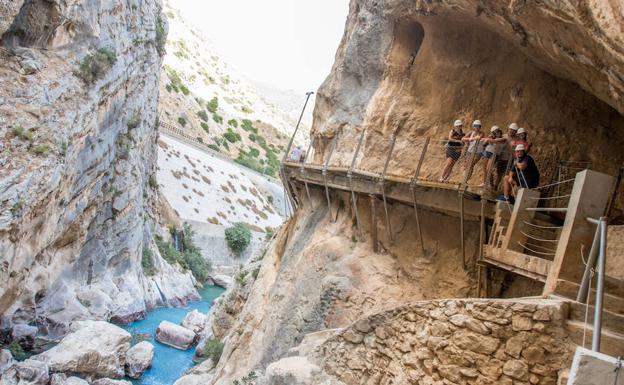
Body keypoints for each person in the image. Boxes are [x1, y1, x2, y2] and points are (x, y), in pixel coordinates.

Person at [494, 123, 518, 188]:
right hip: (502, 158)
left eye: (513, 130)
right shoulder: (504, 136)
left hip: (510, 160)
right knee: (499, 174)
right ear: (508, 129)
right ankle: (495, 187)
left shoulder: (517, 139)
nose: (511, 131)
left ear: (515, 132)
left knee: (506, 175)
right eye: (511, 129)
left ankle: (503, 190)